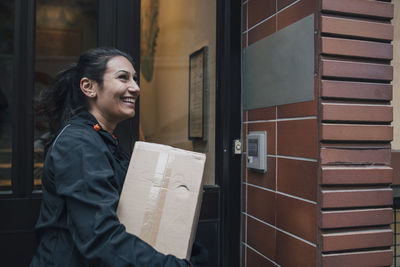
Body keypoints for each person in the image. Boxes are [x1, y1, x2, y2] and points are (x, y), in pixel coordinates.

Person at [30, 47, 207, 267]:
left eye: (134, 79)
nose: (135, 88)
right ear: (89, 87)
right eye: (123, 78)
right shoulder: (79, 144)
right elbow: (100, 239)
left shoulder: (101, 139)